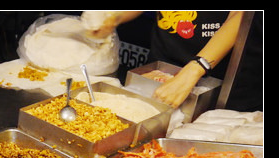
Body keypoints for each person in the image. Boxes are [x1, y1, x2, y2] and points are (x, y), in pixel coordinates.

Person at [86, 11, 250, 109]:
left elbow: (242, 16)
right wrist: (112, 17)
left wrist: (195, 69)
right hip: (159, 68)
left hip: (216, 78)